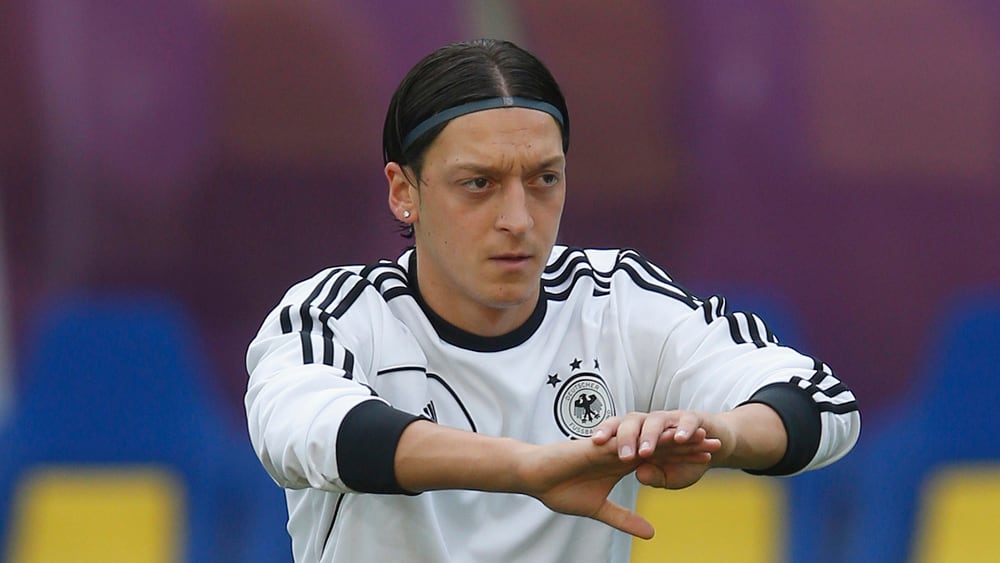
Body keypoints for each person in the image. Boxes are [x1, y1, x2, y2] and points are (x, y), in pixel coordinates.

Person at [245, 38, 861, 563]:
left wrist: (717, 432)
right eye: (478, 183)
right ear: (404, 191)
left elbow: (824, 403)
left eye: (544, 179)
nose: (518, 219)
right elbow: (307, 432)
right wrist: (526, 469)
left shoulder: (615, 298)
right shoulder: (336, 314)